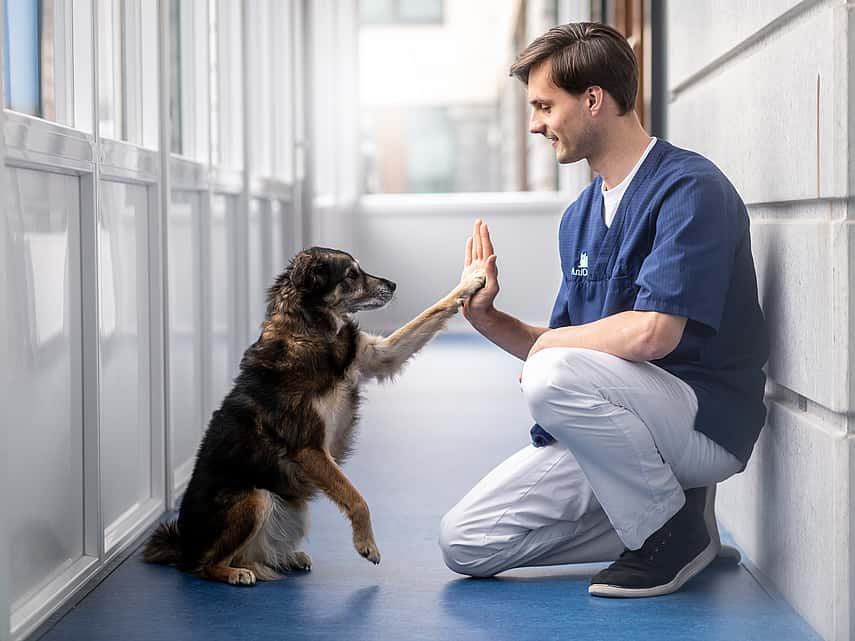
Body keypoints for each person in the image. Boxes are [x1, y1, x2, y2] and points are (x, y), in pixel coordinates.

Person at [438, 22, 769, 598]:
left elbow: (652, 336)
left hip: (701, 423)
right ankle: (676, 518)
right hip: (621, 431)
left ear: (593, 99)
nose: (536, 123)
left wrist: (547, 352)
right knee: (466, 541)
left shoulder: (691, 189)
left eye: (544, 105)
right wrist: (490, 319)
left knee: (552, 370)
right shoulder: (579, 217)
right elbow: (570, 342)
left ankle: (667, 536)